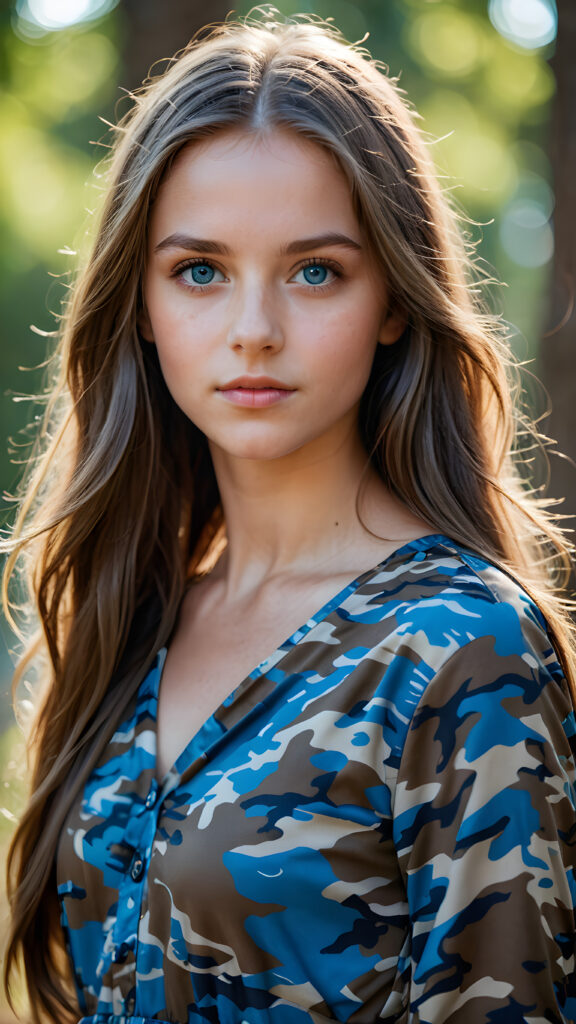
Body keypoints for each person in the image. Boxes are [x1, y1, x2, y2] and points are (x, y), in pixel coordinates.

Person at [2, 10, 576, 1024]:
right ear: (138, 300)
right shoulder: (134, 611)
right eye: (200, 271)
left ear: (393, 299)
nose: (254, 331)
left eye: (316, 271)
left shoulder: (461, 646)